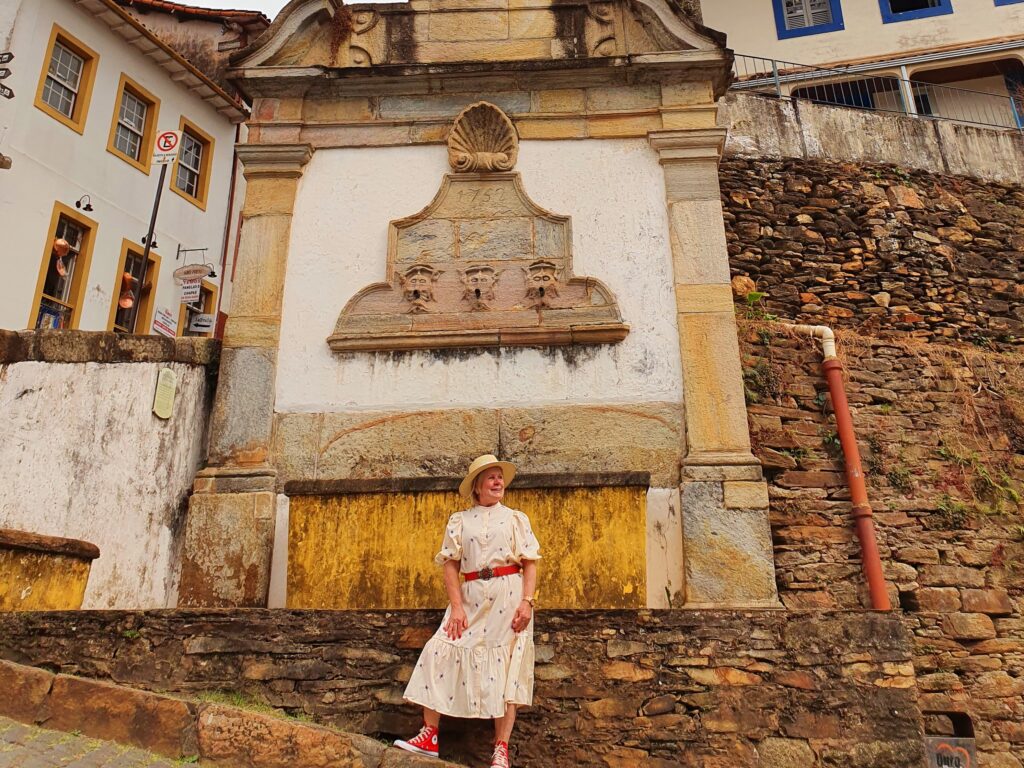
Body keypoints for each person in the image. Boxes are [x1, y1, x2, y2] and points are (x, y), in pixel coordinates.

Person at [395, 454, 541, 768]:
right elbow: (450, 565)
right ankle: (429, 735)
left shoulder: (516, 519)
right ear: (476, 486)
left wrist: (527, 602)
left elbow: (530, 562)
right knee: (439, 650)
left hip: (508, 597)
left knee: (507, 669)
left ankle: (501, 750)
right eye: (491, 477)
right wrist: (457, 607)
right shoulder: (460, 520)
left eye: (500, 477)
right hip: (470, 595)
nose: (498, 482)